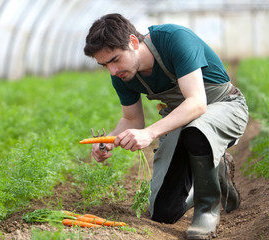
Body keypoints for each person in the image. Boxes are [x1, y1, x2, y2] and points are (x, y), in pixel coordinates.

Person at [83, 13, 249, 239]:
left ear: (133, 42)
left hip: (225, 107)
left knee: (196, 130)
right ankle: (215, 176)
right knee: (163, 211)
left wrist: (149, 133)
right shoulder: (123, 75)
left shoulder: (174, 39)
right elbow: (132, 120)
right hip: (183, 121)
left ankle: (207, 210)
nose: (112, 71)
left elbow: (197, 103)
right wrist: (109, 140)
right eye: (104, 65)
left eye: (114, 60)